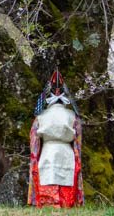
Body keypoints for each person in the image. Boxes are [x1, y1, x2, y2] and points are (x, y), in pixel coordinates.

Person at [27, 69, 84, 208]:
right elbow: (78, 141)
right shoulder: (72, 115)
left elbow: (34, 142)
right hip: (67, 152)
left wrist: (35, 158)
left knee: (48, 178)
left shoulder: (41, 116)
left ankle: (48, 206)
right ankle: (67, 205)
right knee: (66, 179)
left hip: (47, 151)